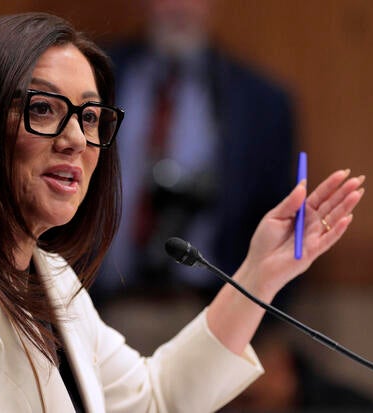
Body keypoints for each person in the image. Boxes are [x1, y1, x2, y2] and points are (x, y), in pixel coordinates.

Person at [0, 12, 364, 412]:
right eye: (42, 109)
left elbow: (158, 400)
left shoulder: (49, 276)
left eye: (89, 116)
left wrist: (260, 274)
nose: (76, 140)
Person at [93, 0, 295, 308]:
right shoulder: (93, 75)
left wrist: (265, 328)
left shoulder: (261, 102)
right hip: (95, 308)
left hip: (211, 309)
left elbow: (282, 223)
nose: (179, 6)